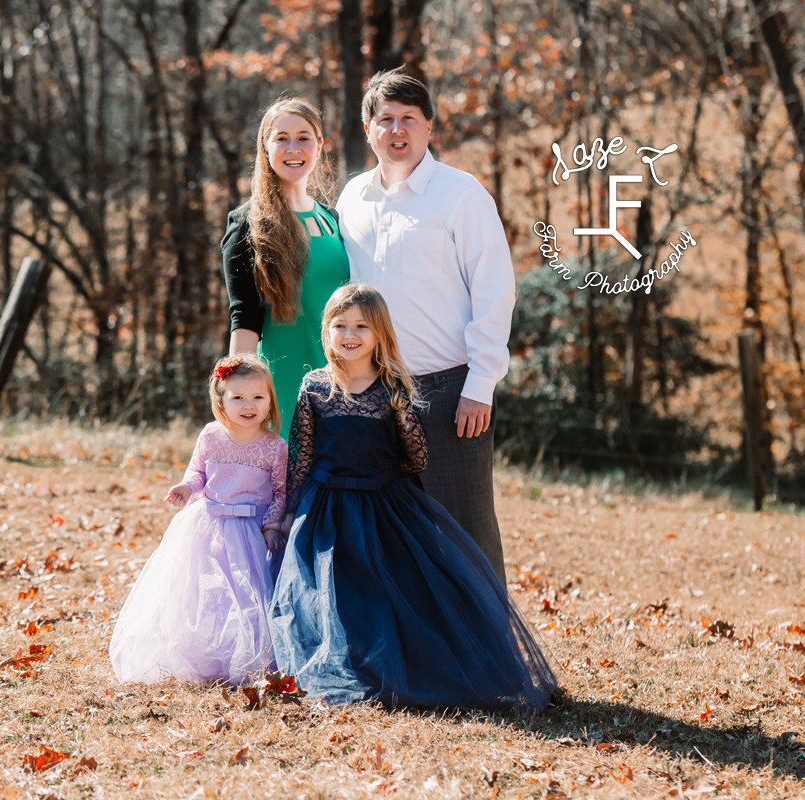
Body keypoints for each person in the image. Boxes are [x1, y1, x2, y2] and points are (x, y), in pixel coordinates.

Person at [267, 285, 556, 710]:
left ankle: (394, 668)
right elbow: (301, 454)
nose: (349, 334)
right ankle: (343, 666)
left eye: (361, 326)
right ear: (326, 332)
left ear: (380, 333)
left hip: (383, 503)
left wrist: (402, 417)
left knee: (386, 590)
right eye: (339, 325)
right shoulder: (314, 387)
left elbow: (416, 455)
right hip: (326, 508)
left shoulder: (392, 387)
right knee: (331, 592)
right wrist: (291, 509)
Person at [335, 68, 515, 580]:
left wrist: (481, 384)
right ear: (368, 129)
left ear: (429, 127)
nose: (397, 131)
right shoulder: (352, 199)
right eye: (385, 119)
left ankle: (486, 654)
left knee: (465, 532)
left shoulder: (461, 195)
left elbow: (494, 289)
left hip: (449, 391)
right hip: (372, 391)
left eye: (408, 119)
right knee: (391, 535)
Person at [109, 354, 287, 685]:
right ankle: (206, 657)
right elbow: (198, 472)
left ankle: (247, 658)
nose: (249, 405)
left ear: (270, 400)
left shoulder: (274, 447)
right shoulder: (210, 435)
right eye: (238, 398)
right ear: (221, 400)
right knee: (208, 593)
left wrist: (273, 525)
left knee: (249, 596)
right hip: (210, 526)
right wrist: (186, 487)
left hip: (254, 531)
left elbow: (281, 492)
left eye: (258, 397)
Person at [224, 97, 350, 440]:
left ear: (320, 146)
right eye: (281, 138)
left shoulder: (333, 220)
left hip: (342, 390)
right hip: (283, 391)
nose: (292, 147)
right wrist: (237, 401)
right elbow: (244, 319)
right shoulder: (247, 225)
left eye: (304, 137)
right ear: (265, 147)